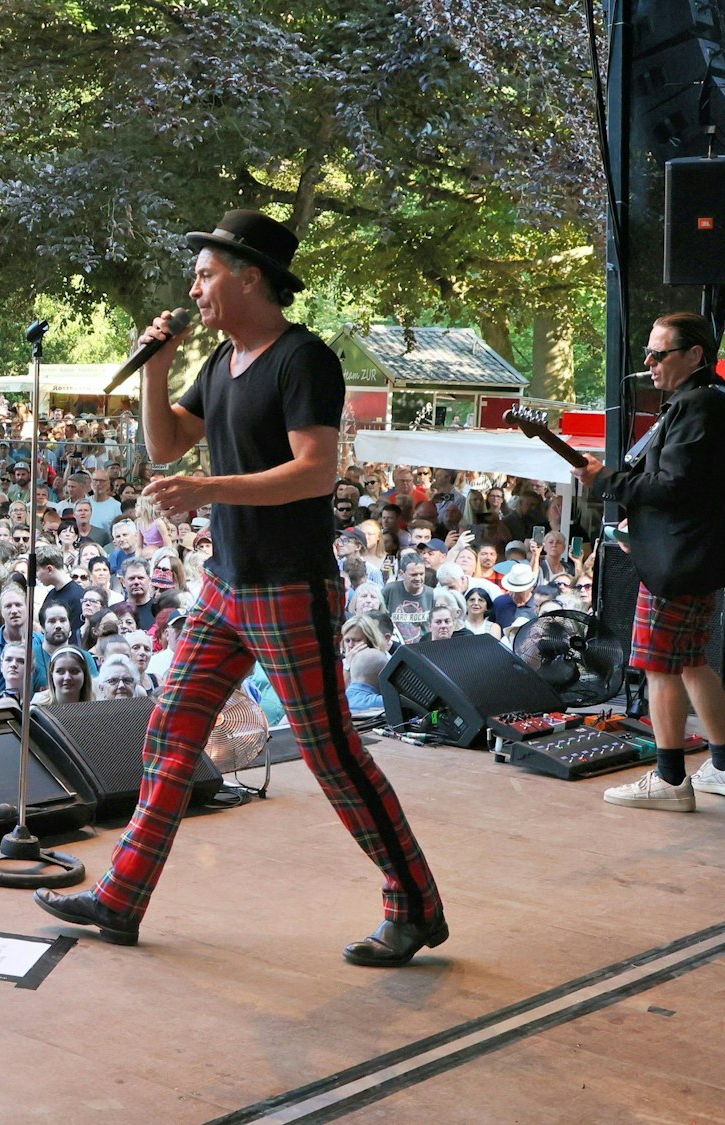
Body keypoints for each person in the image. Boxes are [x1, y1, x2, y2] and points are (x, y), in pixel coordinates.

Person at [35, 210, 446, 966]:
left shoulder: (303, 359)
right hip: (226, 587)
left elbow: (315, 471)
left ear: (250, 276)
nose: (194, 289)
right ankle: (121, 898)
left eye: (206, 273)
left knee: (333, 756)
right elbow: (166, 444)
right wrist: (154, 368)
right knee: (168, 733)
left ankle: (414, 903)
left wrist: (210, 488)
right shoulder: (220, 362)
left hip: (290, 587)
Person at [577, 311, 725, 812]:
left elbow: (675, 488)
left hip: (679, 563)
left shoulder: (697, 407)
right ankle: (723, 766)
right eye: (648, 354)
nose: (649, 364)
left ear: (695, 355)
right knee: (693, 662)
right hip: (698, 556)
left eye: (660, 354)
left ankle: (670, 779)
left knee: (658, 667)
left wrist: (608, 482)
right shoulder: (722, 402)